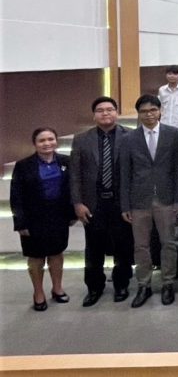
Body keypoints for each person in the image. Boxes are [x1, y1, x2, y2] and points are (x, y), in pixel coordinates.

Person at [118, 95, 178, 308]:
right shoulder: (128, 138)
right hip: (139, 201)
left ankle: (168, 283)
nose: (149, 114)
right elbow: (125, 174)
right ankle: (143, 284)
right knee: (141, 246)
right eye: (144, 111)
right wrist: (125, 205)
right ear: (138, 114)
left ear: (160, 111)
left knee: (168, 243)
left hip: (166, 198)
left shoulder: (174, 134)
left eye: (153, 110)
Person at [69, 97, 134, 307]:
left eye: (109, 109)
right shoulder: (81, 139)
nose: (105, 113)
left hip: (121, 203)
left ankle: (121, 284)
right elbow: (75, 174)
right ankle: (94, 287)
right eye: (100, 110)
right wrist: (77, 203)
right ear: (94, 115)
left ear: (116, 112)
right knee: (93, 248)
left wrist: (131, 203)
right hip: (93, 203)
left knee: (123, 246)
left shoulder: (131, 136)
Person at [11, 127, 75, 311]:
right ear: (35, 144)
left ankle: (57, 288)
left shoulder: (66, 161)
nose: (47, 143)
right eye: (42, 140)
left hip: (58, 216)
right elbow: (16, 196)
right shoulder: (23, 165)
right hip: (33, 219)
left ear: (56, 141)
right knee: (36, 257)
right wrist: (20, 222)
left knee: (56, 253)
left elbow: (72, 189)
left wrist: (72, 214)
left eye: (50, 139)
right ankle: (38, 293)